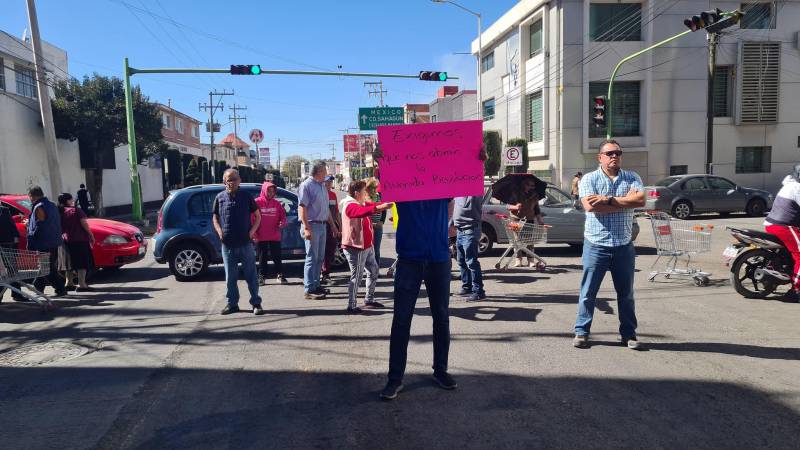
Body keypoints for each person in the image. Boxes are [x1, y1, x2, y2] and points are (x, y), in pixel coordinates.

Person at [380, 147, 488, 401]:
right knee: (401, 320)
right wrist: (382, 159)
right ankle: (395, 379)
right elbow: (383, 185)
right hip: (409, 259)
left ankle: (441, 371)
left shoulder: (442, 183)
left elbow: (467, 177)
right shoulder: (401, 184)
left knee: (441, 317)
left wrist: (479, 162)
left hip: (439, 259)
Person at [573, 140, 645, 350]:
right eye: (610, 153)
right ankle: (582, 332)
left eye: (618, 153)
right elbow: (590, 207)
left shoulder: (632, 177)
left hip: (624, 246)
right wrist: (624, 202)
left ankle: (628, 335)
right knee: (588, 292)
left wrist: (608, 199)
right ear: (600, 157)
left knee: (626, 295)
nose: (614, 156)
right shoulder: (589, 179)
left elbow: (640, 201)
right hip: (596, 246)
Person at [212, 169, 263, 316]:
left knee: (251, 276)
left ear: (239, 180)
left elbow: (258, 216)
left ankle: (256, 303)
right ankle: (232, 304)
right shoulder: (220, 197)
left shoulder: (246, 196)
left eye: (234, 179)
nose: (231, 182)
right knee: (230, 277)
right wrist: (219, 231)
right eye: (228, 179)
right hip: (227, 245)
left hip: (245, 244)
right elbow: (214, 217)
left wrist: (251, 232)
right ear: (224, 181)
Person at [340, 180, 393, 313]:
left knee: (374, 271)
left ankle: (369, 300)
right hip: (356, 246)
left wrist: (388, 205)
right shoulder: (350, 205)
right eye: (364, 191)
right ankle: (351, 305)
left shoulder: (359, 202)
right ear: (357, 193)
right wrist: (382, 207)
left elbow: (373, 205)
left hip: (366, 245)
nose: (366, 193)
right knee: (356, 277)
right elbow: (363, 211)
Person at [764, 163, 800, 302]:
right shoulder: (797, 188)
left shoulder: (789, 184)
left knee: (790, 251)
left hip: (771, 223)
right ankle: (796, 290)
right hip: (784, 226)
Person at [26, 186, 67, 297]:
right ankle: (38, 287)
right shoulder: (52, 205)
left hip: (44, 242)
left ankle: (60, 288)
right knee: (46, 266)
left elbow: (41, 225)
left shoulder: (39, 207)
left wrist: (31, 237)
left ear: (32, 196)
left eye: (29, 196)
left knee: (47, 267)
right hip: (54, 240)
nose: (29, 198)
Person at [298, 161, 330, 300]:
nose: (326, 174)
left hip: (322, 225)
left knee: (319, 258)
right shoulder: (306, 185)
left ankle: (316, 285)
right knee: (311, 258)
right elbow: (302, 207)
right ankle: (309, 289)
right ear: (318, 172)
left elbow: (326, 209)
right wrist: (306, 228)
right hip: (312, 225)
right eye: (324, 171)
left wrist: (333, 226)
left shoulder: (322, 186)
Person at [57, 193, 95, 292]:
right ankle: (82, 284)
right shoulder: (75, 210)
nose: (73, 200)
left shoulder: (58, 211)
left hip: (64, 240)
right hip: (79, 240)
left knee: (68, 263)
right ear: (67, 201)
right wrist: (90, 234)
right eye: (71, 199)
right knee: (81, 263)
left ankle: (69, 283)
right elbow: (84, 223)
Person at [452, 195, 486, 302]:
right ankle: (467, 286)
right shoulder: (457, 193)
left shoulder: (474, 194)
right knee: (461, 261)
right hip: (460, 230)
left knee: (471, 262)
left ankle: (478, 291)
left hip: (470, 230)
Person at [254, 180, 288, 286]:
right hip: (261, 235)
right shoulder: (257, 202)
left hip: (274, 235)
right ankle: (262, 277)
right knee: (262, 257)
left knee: (277, 256)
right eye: (269, 191)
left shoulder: (277, 203)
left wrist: (282, 222)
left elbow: (283, 215)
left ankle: (280, 275)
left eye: (273, 192)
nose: (271, 194)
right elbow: (251, 218)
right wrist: (254, 233)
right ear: (264, 191)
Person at [508, 179, 545, 267]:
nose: (532, 187)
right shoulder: (515, 194)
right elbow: (507, 206)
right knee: (517, 240)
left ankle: (531, 260)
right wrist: (515, 207)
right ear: (524, 185)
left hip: (529, 219)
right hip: (517, 219)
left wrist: (540, 220)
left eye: (533, 186)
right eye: (530, 185)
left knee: (529, 241)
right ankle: (518, 260)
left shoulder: (535, 195)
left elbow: (536, 209)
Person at [0, 204, 24, 301]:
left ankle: (16, 294)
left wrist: (15, 241)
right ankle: (16, 294)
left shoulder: (4, 210)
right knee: (10, 270)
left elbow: (12, 226)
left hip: (7, 244)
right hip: (7, 243)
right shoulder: (4, 210)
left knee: (12, 270)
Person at [321, 175, 341, 285]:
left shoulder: (333, 194)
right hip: (323, 225)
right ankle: (324, 273)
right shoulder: (321, 195)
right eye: (327, 182)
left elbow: (336, 211)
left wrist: (340, 225)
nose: (329, 184)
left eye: (330, 182)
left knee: (331, 249)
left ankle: (326, 272)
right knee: (322, 250)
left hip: (333, 226)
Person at [367, 178, 387, 269]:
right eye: (372, 187)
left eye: (375, 187)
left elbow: (384, 210)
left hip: (378, 226)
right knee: (368, 249)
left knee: (376, 249)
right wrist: (371, 224)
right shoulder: (365, 198)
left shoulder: (379, 196)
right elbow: (364, 213)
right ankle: (369, 270)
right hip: (368, 227)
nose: (374, 189)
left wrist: (382, 221)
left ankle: (376, 269)